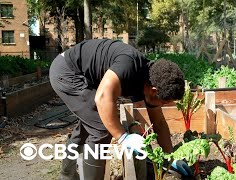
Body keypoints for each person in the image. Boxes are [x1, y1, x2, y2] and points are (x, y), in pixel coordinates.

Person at [49, 39, 192, 180]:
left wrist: (170, 156)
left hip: (84, 76)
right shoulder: (129, 66)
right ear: (154, 91)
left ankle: (66, 176)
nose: (161, 106)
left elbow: (159, 123)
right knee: (101, 128)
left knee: (91, 124)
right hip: (67, 71)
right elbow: (102, 97)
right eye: (164, 102)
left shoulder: (150, 79)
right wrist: (123, 137)